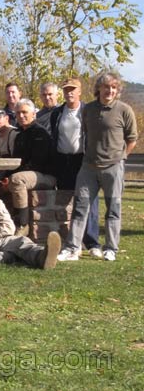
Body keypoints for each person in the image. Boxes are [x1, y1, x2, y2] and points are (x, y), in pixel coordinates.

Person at [58, 72, 138, 262]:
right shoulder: (89, 109)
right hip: (89, 167)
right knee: (80, 207)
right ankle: (72, 248)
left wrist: (121, 157)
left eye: (113, 88)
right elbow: (85, 133)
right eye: (106, 87)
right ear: (98, 89)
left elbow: (132, 138)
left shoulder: (124, 110)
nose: (109, 90)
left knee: (113, 209)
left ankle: (110, 248)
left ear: (117, 90)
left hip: (113, 167)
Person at [50, 78, 101, 257]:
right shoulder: (57, 113)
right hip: (63, 161)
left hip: (83, 160)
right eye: (66, 90)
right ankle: (71, 240)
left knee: (89, 200)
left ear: (80, 91)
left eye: (73, 90)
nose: (69, 93)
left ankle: (92, 242)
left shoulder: (87, 111)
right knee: (66, 200)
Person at [3, 98, 56, 236]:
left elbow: (37, 162)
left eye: (25, 112)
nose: (21, 116)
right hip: (27, 173)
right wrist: (5, 178)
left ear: (34, 114)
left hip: (45, 175)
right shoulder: (20, 135)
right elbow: (16, 161)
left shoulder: (40, 133)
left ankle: (23, 223)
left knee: (16, 179)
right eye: (18, 113)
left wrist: (11, 177)